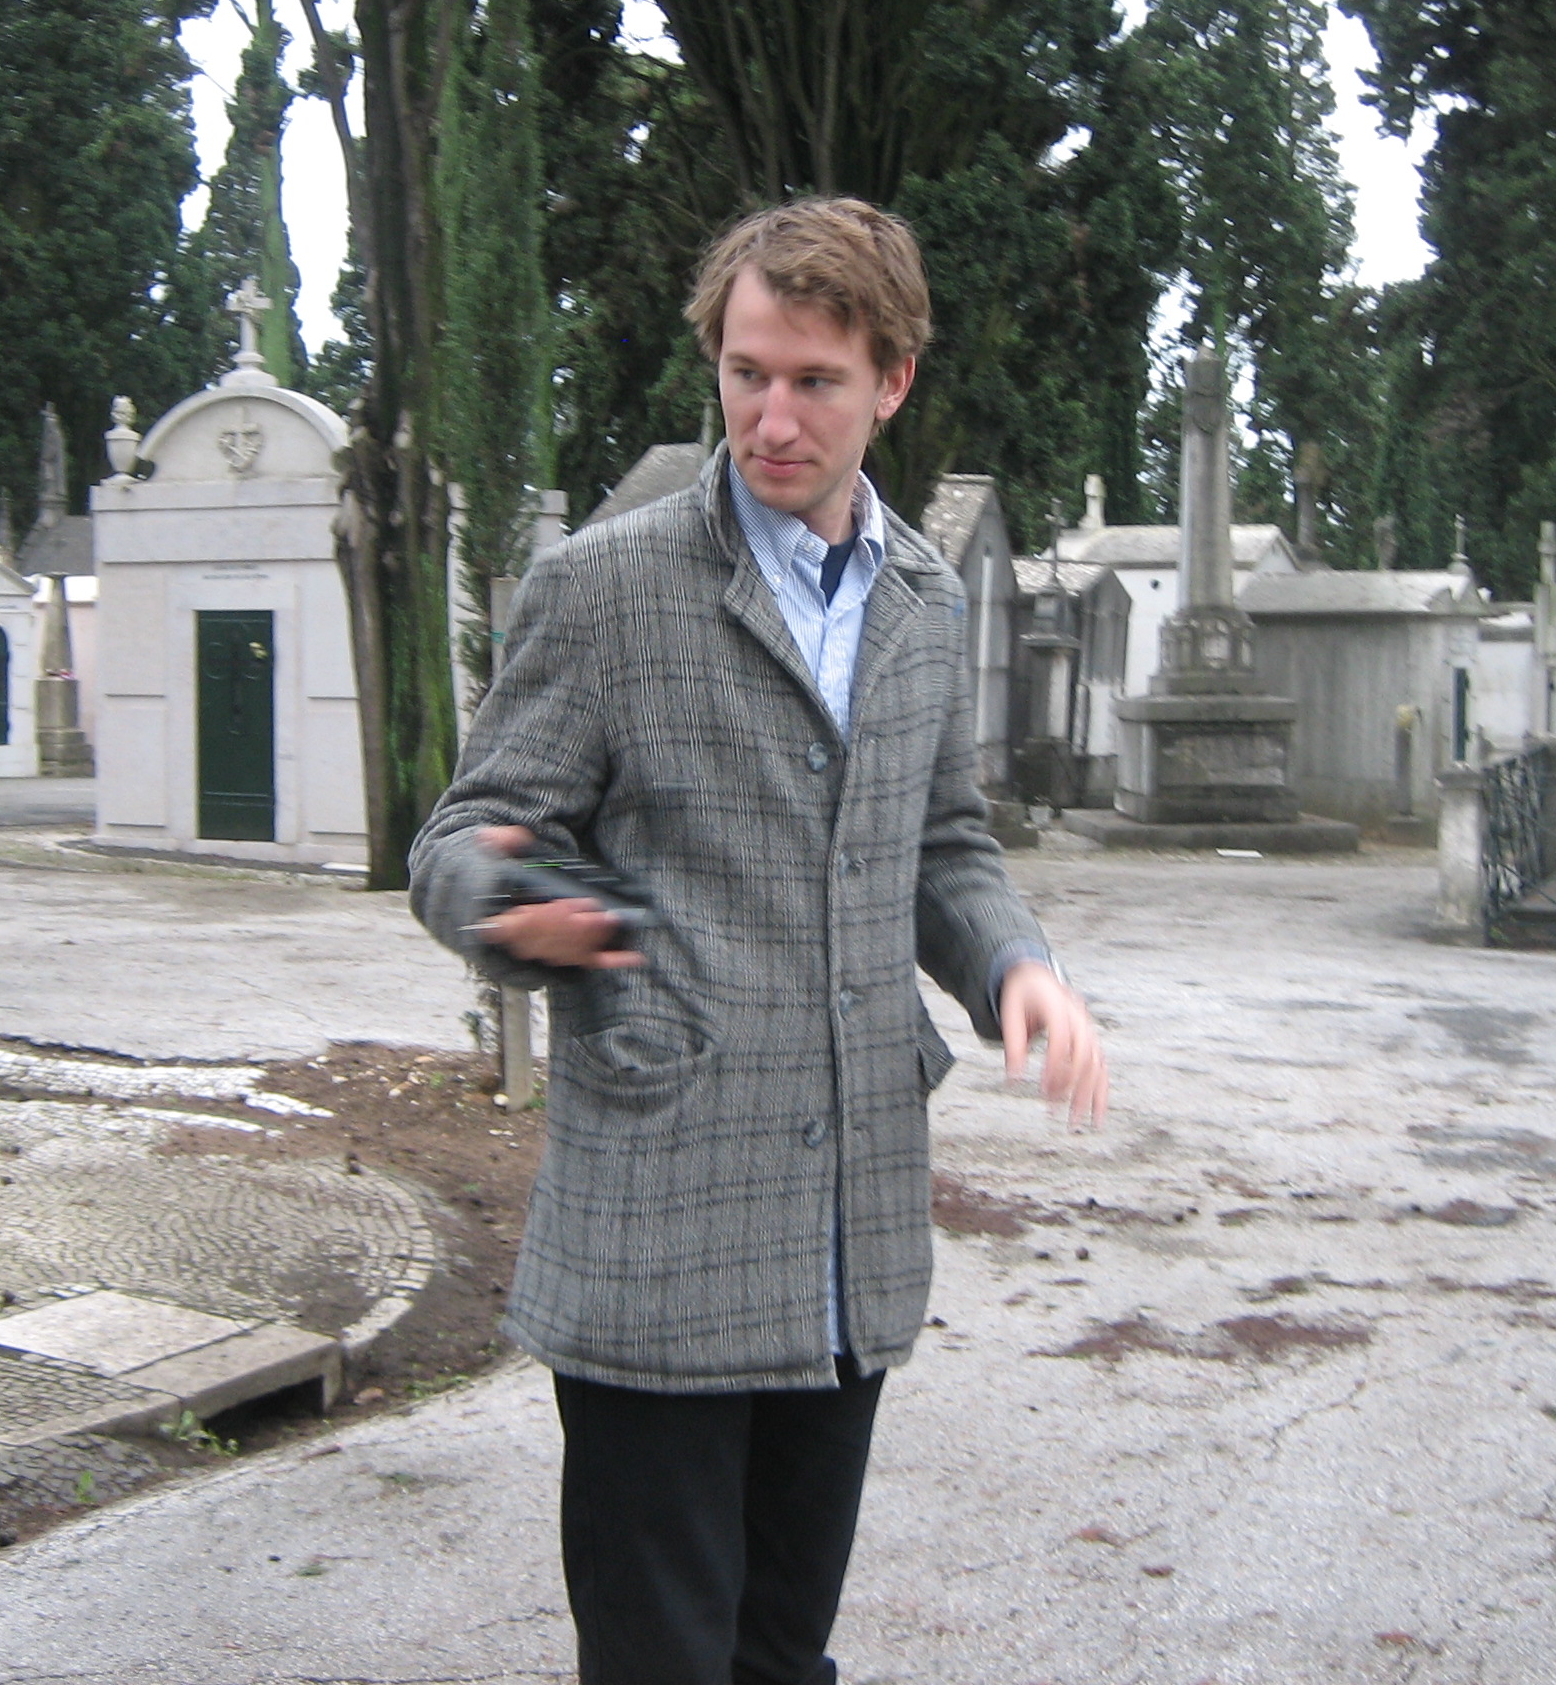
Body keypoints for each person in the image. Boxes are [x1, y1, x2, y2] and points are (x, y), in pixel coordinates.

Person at [408, 195, 1106, 1685]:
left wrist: (1015, 967)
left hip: (848, 1232)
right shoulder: (605, 588)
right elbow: (463, 836)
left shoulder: (921, 599)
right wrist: (530, 909)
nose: (771, 419)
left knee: (784, 1661)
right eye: (746, 373)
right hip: (659, 1220)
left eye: (814, 382)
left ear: (892, 382)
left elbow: (943, 844)